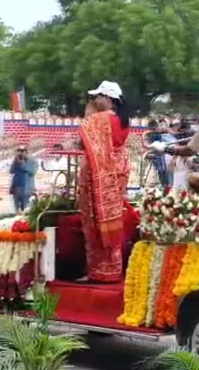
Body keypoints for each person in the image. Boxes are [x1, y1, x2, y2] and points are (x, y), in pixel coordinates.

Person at [78, 80, 130, 283]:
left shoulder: (99, 119)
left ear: (108, 99)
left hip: (99, 177)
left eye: (98, 96)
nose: (94, 100)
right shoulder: (122, 120)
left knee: (94, 220)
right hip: (118, 174)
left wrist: (88, 113)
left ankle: (99, 270)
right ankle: (113, 268)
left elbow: (83, 140)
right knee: (112, 220)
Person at [10, 145, 38, 212]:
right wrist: (15, 162)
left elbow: (32, 172)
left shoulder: (32, 162)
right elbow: (11, 171)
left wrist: (22, 163)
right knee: (17, 210)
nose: (20, 153)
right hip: (17, 188)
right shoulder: (16, 161)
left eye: (22, 151)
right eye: (19, 151)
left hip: (27, 188)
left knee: (26, 209)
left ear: (26, 152)